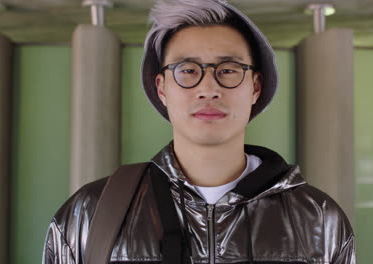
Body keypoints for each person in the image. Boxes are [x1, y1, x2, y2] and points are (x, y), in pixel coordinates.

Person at [43, 0, 356, 263]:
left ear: (255, 87)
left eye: (229, 70)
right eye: (188, 71)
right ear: (162, 88)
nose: (208, 89)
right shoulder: (91, 212)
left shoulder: (318, 218)